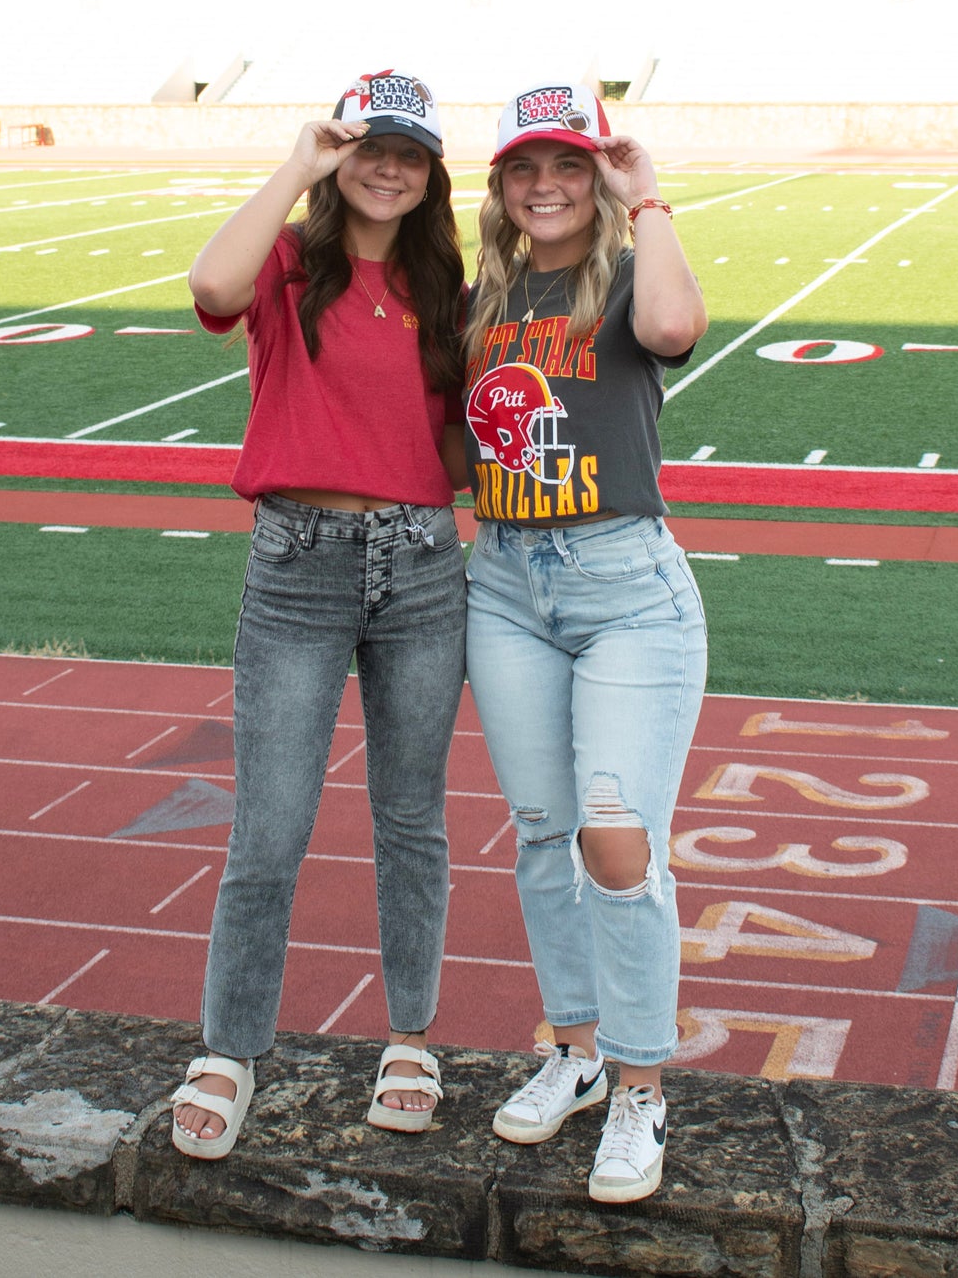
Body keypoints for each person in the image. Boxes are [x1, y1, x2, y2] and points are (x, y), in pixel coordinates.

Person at [172, 69, 468, 1160]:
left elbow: (451, 435)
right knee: (271, 825)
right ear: (341, 154)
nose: (388, 167)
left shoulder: (445, 282)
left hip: (423, 566)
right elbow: (209, 282)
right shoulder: (293, 262)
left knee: (410, 821)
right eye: (368, 147)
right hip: (298, 559)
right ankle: (230, 1045)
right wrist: (295, 164)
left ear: (431, 170)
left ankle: (409, 1034)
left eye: (408, 152)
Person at [460, 80, 709, 1203]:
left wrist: (644, 195)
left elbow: (674, 329)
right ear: (501, 187)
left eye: (568, 165)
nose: (547, 186)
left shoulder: (619, 276)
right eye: (526, 169)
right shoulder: (483, 295)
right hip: (505, 580)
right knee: (541, 828)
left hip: (623, 587)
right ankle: (572, 1046)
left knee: (616, 839)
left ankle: (640, 1087)